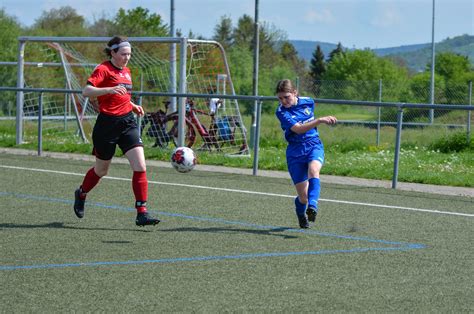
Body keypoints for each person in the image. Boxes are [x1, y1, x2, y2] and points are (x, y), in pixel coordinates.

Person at [73, 36, 160, 227]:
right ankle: (81, 193)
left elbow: (121, 96)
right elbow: (86, 91)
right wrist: (110, 89)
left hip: (128, 123)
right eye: (123, 54)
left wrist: (132, 104)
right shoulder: (103, 69)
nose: (126, 58)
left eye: (129, 54)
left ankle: (142, 212)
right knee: (101, 170)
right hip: (107, 126)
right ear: (112, 52)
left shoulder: (127, 71)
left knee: (140, 166)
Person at [275, 79, 337, 228]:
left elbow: (308, 127)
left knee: (314, 170)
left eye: (287, 97)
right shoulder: (281, 111)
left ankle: (313, 207)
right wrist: (320, 120)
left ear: (295, 93)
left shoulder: (309, 101)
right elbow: (298, 129)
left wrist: (319, 122)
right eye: (280, 98)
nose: (283, 101)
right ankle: (301, 212)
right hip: (295, 152)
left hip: (313, 145)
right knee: (303, 197)